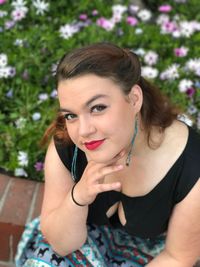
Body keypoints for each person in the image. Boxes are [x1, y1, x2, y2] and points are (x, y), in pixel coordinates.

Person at [15, 43, 200, 267]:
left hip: (155, 254)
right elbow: (61, 245)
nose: (84, 131)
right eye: (71, 115)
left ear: (133, 99)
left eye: (98, 108)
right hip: (81, 237)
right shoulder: (67, 147)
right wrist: (78, 196)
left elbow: (177, 257)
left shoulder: (191, 167)